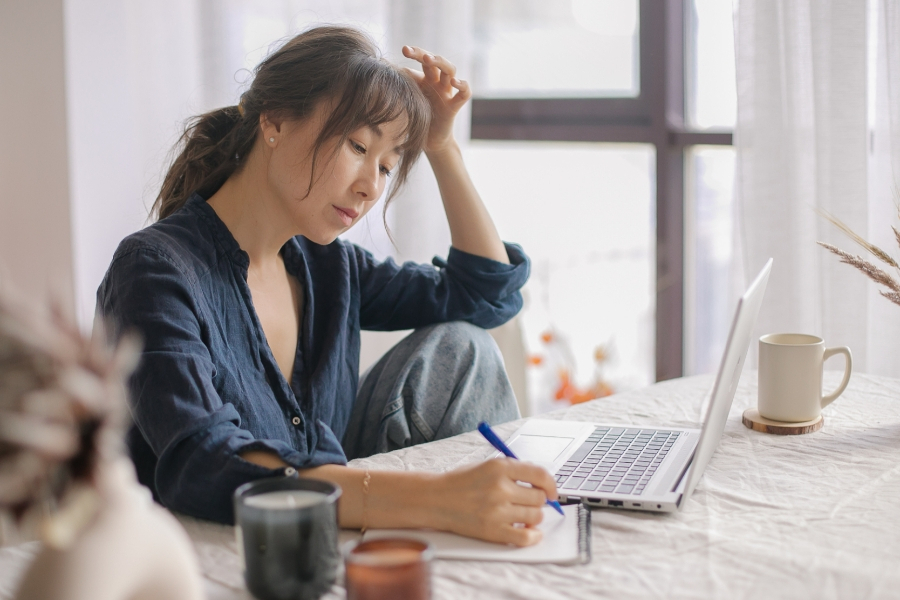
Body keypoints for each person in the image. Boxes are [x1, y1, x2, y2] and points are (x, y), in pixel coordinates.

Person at [97, 25, 558, 546]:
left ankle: (495, 536)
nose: (370, 186)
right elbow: (204, 463)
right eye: (358, 145)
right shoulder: (155, 269)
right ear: (273, 122)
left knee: (463, 348)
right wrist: (438, 499)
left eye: (386, 165)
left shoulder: (328, 267)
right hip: (210, 546)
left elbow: (484, 294)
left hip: (330, 510)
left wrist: (441, 145)